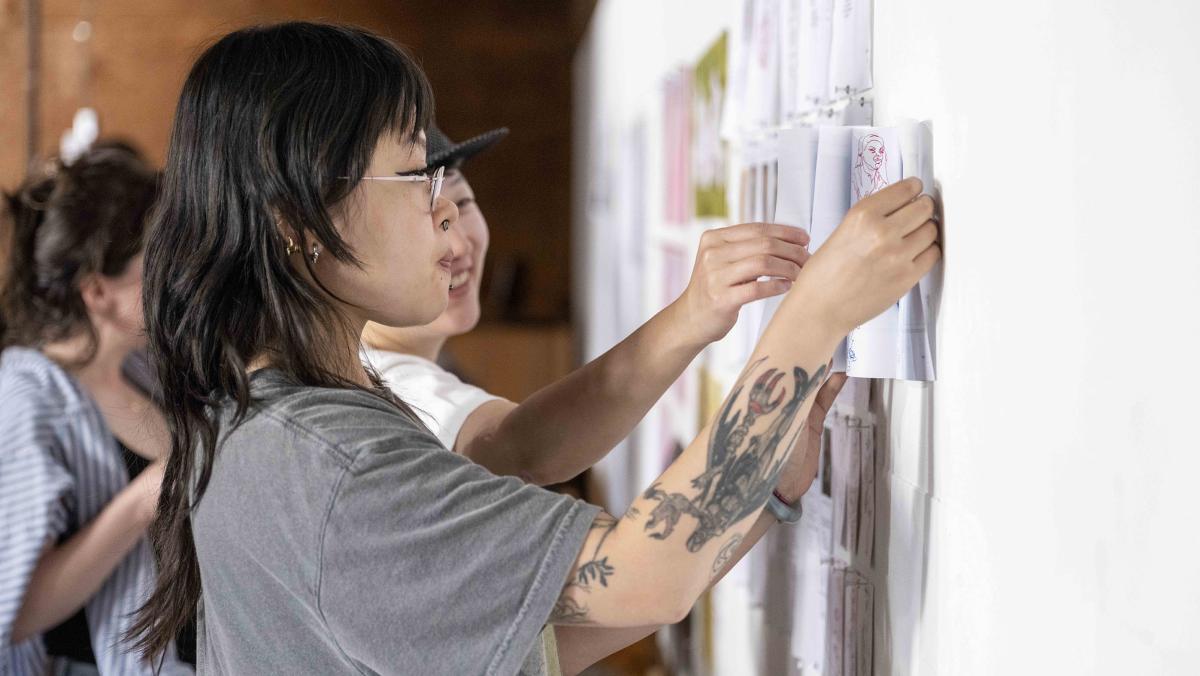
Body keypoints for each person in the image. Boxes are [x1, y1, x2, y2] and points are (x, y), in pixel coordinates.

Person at [130, 22, 939, 676]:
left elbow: (530, 638)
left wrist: (764, 489)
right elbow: (636, 576)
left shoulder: (278, 417)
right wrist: (813, 317)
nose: (445, 215)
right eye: (416, 176)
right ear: (298, 222)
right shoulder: (330, 461)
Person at [362, 123, 814, 485]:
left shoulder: (405, 364)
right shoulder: (393, 389)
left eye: (462, 204)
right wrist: (694, 315)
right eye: (431, 221)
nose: (458, 242)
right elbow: (523, 449)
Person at [0, 144, 191, 675]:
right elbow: (16, 612)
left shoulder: (145, 370)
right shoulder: (26, 399)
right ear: (98, 290)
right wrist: (141, 502)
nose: (172, 280)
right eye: (155, 263)